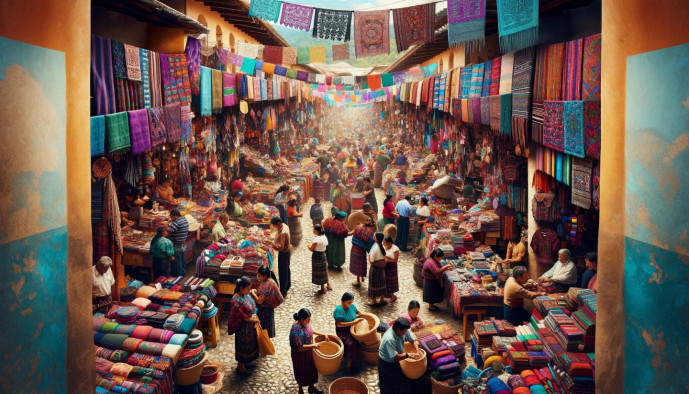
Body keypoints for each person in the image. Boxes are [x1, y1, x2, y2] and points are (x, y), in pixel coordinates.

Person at [290, 308, 328, 394]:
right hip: (299, 355)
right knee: (301, 371)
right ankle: (300, 390)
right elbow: (300, 347)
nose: (309, 321)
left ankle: (311, 387)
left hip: (308, 351)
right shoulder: (297, 330)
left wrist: (323, 334)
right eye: (308, 320)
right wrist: (313, 345)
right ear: (301, 319)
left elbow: (310, 331)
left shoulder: (304, 324)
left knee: (312, 369)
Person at [378, 318, 420, 394]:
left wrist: (417, 351)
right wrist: (408, 355)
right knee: (388, 385)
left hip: (396, 358)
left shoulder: (404, 329)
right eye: (404, 331)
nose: (405, 332)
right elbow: (395, 357)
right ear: (397, 329)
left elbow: (411, 340)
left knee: (400, 381)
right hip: (386, 363)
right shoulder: (389, 339)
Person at [228, 276, 260, 375]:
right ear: (241, 288)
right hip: (243, 330)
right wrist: (253, 319)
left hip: (249, 328)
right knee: (243, 347)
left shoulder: (245, 294)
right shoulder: (236, 301)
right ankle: (240, 367)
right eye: (248, 288)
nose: (249, 291)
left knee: (250, 345)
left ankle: (247, 362)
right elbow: (240, 317)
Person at [333, 292, 365, 373]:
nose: (351, 304)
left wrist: (366, 315)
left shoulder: (352, 306)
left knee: (361, 339)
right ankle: (349, 365)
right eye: (349, 302)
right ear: (343, 301)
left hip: (352, 328)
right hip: (343, 332)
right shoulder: (338, 310)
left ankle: (355, 356)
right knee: (351, 344)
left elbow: (358, 311)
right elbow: (339, 323)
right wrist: (353, 323)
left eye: (351, 302)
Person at [251, 266, 283, 338]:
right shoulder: (267, 281)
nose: (258, 277)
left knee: (264, 333)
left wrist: (253, 293)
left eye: (259, 275)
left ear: (264, 275)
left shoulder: (267, 284)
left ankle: (264, 347)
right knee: (265, 332)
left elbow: (259, 301)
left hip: (265, 311)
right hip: (268, 310)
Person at [269, 216, 292, 297]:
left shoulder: (283, 233)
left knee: (282, 272)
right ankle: (287, 285)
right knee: (286, 269)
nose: (274, 228)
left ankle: (283, 291)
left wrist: (271, 243)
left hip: (284, 252)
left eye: (274, 226)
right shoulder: (285, 225)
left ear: (278, 223)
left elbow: (280, 247)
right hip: (287, 251)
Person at [350, 219, 376, 286]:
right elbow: (370, 245)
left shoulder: (358, 227)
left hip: (354, 248)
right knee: (361, 264)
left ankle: (358, 279)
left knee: (357, 265)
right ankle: (360, 278)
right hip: (361, 250)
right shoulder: (371, 232)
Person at [308, 224, 332, 294]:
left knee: (320, 272)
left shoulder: (317, 239)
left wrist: (308, 246)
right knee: (324, 270)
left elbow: (312, 248)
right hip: (323, 254)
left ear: (316, 231)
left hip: (317, 256)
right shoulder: (324, 237)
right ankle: (328, 284)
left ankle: (322, 289)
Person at [167, 209, 189, 276]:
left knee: (177, 263)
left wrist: (167, 226)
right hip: (182, 244)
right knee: (182, 262)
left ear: (174, 216)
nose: (171, 219)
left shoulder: (176, 222)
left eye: (171, 217)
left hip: (176, 245)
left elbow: (169, 231)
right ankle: (183, 275)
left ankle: (178, 277)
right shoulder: (184, 220)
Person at [368, 232, 388, 306]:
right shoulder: (382, 246)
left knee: (373, 284)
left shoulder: (375, 247)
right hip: (381, 269)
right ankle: (382, 299)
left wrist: (371, 263)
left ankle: (373, 300)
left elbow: (372, 259)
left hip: (375, 268)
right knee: (381, 283)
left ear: (376, 238)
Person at [383, 236, 400, 303]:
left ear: (389, 242)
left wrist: (388, 259)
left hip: (391, 267)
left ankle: (392, 296)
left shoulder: (395, 249)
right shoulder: (384, 247)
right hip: (385, 266)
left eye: (385, 242)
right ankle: (386, 293)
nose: (383, 243)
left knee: (390, 281)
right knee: (385, 280)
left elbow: (395, 260)